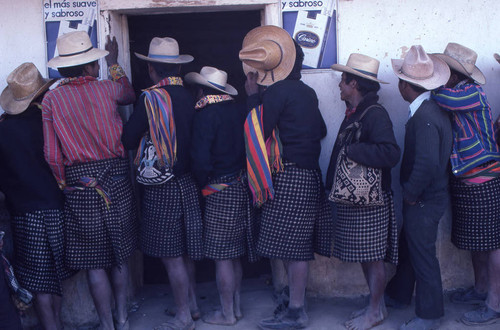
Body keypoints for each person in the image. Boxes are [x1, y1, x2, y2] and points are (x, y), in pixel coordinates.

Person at [42, 31, 138, 330]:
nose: (96, 68)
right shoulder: (108, 89)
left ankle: (107, 325)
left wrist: (63, 184)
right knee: (120, 255)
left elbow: (52, 154)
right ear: (87, 67)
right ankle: (122, 317)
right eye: (95, 63)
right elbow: (129, 92)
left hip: (80, 185)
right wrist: (114, 62)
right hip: (117, 179)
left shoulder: (51, 100)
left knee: (95, 262)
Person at [239, 25, 333, 329]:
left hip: (289, 175)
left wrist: (253, 98)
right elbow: (320, 130)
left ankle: (296, 311)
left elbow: (258, 131)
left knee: (292, 248)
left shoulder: (277, 93)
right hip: (309, 174)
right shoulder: (308, 93)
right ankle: (292, 303)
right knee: (293, 244)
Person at [122, 37, 203, 330]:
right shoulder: (192, 96)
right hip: (188, 181)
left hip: (163, 184)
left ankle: (183, 316)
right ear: (178, 70)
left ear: (152, 70)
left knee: (171, 256)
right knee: (184, 250)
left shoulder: (152, 98)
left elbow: (128, 139)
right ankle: (192, 305)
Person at [326, 53, 400, 330]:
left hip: (371, 202)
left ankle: (373, 311)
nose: (339, 86)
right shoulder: (358, 113)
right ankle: (376, 306)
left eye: (343, 81)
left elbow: (391, 152)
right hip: (358, 201)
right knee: (366, 257)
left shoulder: (374, 114)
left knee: (372, 258)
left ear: (354, 83)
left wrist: (353, 151)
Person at [0, 62, 75, 330]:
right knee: (55, 277)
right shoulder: (49, 121)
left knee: (39, 280)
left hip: (24, 213)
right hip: (55, 206)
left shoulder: (2, 130)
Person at [431, 42, 500, 326]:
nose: (439, 75)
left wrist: (426, 80)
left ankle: (494, 302)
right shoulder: (460, 91)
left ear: (455, 75)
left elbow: (440, 99)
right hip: (469, 177)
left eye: (443, 71)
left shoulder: (468, 92)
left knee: (493, 243)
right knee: (479, 242)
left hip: (483, 177)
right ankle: (481, 288)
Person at [384, 45, 452, 330]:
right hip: (426, 198)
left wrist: (410, 194)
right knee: (411, 248)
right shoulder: (428, 109)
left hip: (424, 199)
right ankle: (399, 295)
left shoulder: (424, 116)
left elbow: (426, 164)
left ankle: (430, 315)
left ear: (404, 86)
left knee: (423, 256)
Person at [186, 66, 257, 326]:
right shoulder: (237, 110)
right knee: (233, 253)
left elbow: (201, 160)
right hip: (240, 185)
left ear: (202, 89)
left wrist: (200, 183)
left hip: (218, 190)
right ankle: (235, 308)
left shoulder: (206, 115)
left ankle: (226, 314)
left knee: (221, 257)